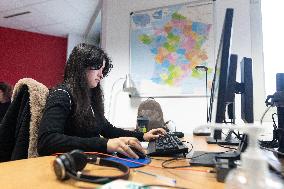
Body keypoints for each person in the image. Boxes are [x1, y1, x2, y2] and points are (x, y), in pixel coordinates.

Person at [38, 43, 166, 159]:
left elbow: (108, 130)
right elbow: (47, 141)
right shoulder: (62, 94)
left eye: (103, 69)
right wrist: (104, 143)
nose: (101, 74)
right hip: (69, 165)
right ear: (80, 67)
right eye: (97, 67)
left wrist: (142, 136)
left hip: (88, 161)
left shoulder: (88, 99)